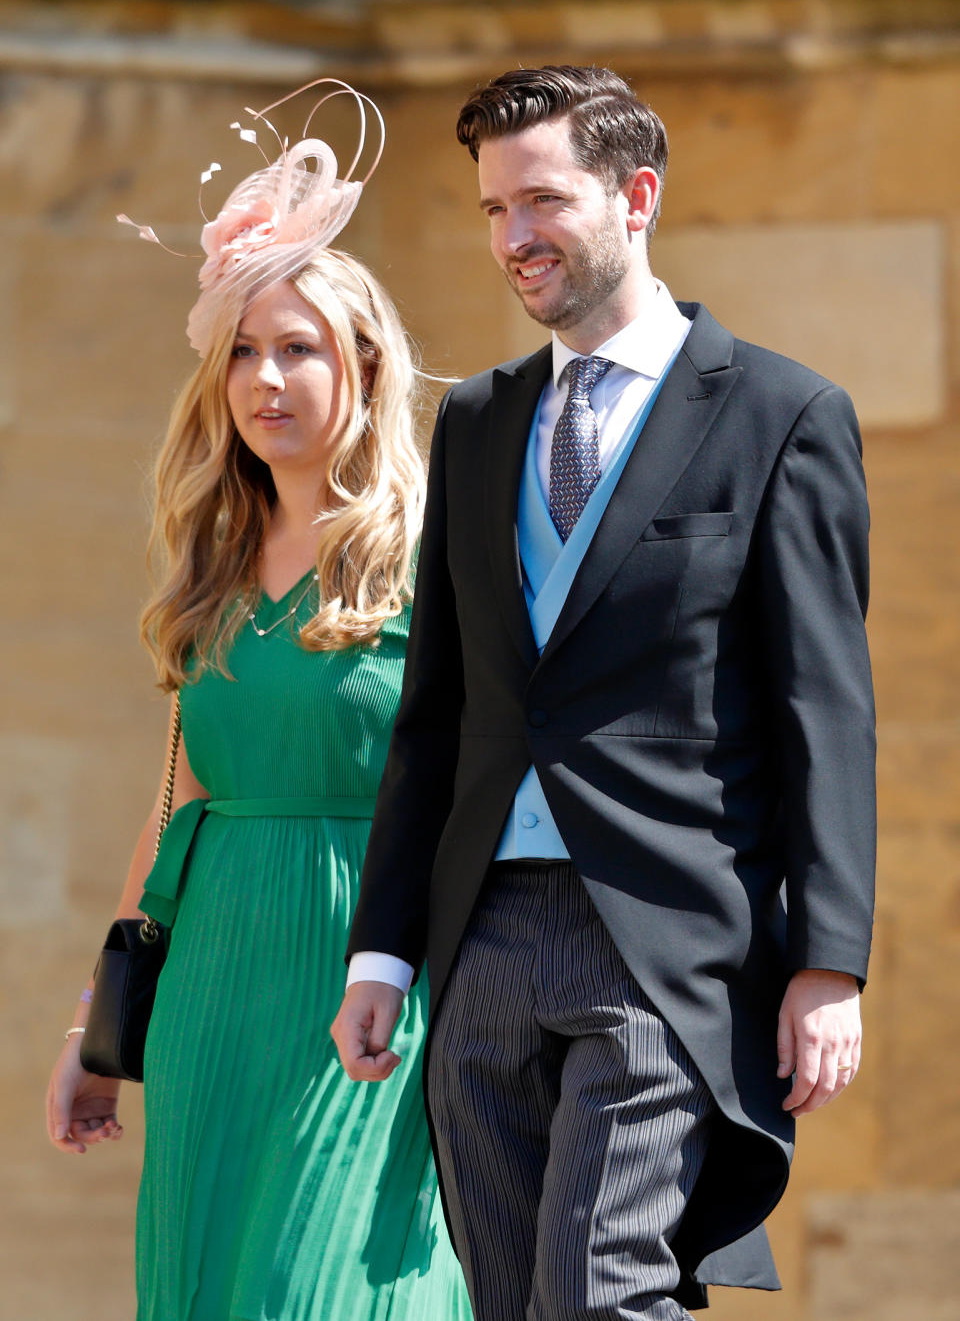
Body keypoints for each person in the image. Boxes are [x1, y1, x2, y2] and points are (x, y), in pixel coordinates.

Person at [332, 65, 876, 1321]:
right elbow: (438, 712)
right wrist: (386, 950)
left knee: (599, 1293)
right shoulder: (474, 424)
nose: (513, 237)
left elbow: (824, 711)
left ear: (636, 196)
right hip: (482, 940)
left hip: (665, 938)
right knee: (519, 1299)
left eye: (541, 201)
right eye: (490, 211)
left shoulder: (782, 416)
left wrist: (828, 962)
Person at [45, 81, 472, 1321]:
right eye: (241, 347)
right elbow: (175, 802)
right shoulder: (209, 570)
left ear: (365, 364)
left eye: (299, 346)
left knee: (326, 1289)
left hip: (371, 981)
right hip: (213, 985)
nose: (265, 376)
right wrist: (99, 1025)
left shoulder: (436, 555)